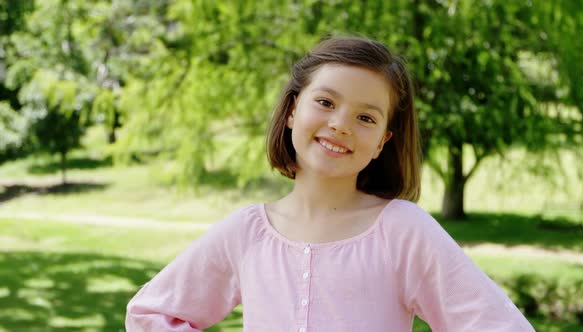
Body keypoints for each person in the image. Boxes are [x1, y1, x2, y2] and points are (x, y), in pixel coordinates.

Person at [126, 37, 534, 332]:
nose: (340, 124)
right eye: (325, 102)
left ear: (382, 143)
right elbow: (150, 314)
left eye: (366, 118)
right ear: (291, 111)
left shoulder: (403, 231)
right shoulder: (246, 232)